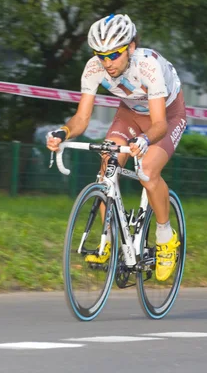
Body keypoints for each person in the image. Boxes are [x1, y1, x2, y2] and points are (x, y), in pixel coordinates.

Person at [46, 14, 186, 281]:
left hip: (167, 115)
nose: (107, 63)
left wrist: (144, 141)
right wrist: (63, 132)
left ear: (130, 47)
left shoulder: (148, 67)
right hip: (130, 113)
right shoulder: (94, 68)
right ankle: (107, 239)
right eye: (101, 55)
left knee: (147, 170)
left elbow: (158, 124)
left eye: (113, 55)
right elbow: (82, 118)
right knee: (107, 164)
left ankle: (166, 237)